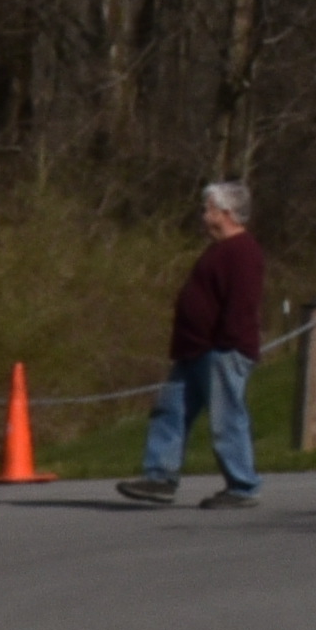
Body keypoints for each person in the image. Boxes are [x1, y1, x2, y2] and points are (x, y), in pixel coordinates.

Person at [121, 178, 268, 504]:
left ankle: (242, 486)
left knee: (226, 419)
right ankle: (159, 476)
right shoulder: (218, 250)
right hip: (194, 349)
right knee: (169, 411)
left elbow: (242, 302)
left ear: (226, 212)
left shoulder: (242, 252)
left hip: (221, 350)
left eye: (209, 208)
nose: (204, 214)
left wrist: (227, 342)